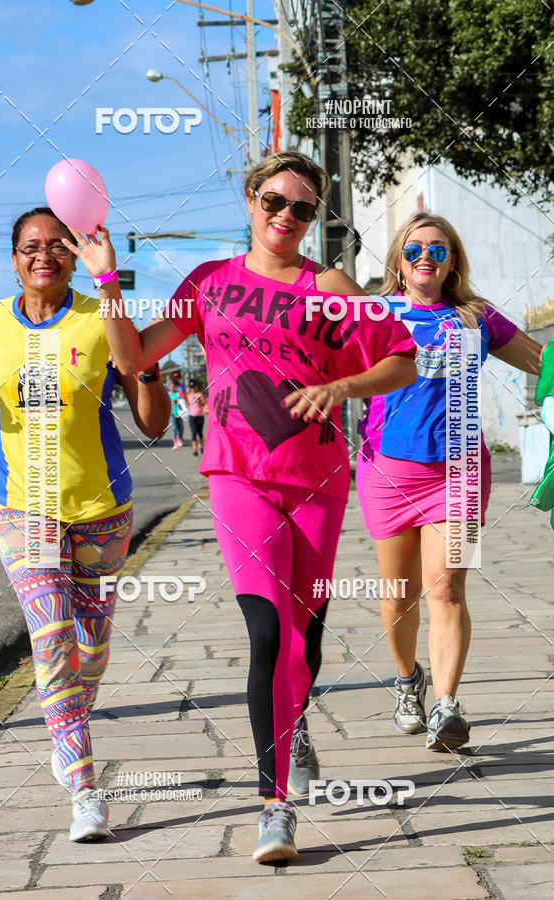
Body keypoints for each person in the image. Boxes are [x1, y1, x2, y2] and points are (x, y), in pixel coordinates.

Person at [74, 150, 418, 863]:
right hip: (239, 475)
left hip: (318, 481)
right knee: (268, 633)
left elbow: (401, 360)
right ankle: (275, 807)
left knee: (304, 639)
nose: (286, 216)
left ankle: (294, 727)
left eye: (302, 208)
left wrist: (342, 388)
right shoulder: (209, 283)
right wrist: (106, 279)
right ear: (251, 199)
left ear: (313, 217)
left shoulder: (331, 286)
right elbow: (134, 359)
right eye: (274, 201)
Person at [0, 210, 170, 841]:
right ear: (13, 259)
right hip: (23, 509)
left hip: (102, 511)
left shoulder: (101, 319)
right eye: (31, 246)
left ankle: (66, 726)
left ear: (75, 257)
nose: (44, 255)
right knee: (51, 640)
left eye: (58, 246)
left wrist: (144, 362)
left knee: (90, 650)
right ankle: (85, 790)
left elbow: (154, 423)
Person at [356, 212, 542, 752]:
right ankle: (407, 681)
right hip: (388, 471)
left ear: (452, 261)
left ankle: (446, 706)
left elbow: (542, 360)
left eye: (438, 250)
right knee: (399, 594)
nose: (425, 258)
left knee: (448, 588)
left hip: (460, 472)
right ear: (398, 259)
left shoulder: (475, 317)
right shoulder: (374, 314)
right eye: (414, 249)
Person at [186, 379, 207, 456]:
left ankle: (200, 445)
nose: (192, 388)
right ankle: (195, 450)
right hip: (192, 416)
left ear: (196, 386)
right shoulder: (188, 395)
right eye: (191, 387)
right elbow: (187, 405)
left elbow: (204, 403)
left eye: (194, 386)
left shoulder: (200, 394)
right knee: (194, 433)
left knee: (200, 433)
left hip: (200, 416)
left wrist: (199, 401)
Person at [167, 378, 186, 449]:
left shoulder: (179, 393)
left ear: (175, 387)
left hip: (180, 413)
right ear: (169, 387)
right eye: (171, 386)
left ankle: (180, 438)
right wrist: (170, 402)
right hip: (172, 413)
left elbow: (185, 400)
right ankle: (175, 443)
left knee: (180, 426)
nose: (172, 387)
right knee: (174, 427)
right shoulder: (167, 394)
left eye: (173, 386)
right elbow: (164, 403)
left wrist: (177, 401)